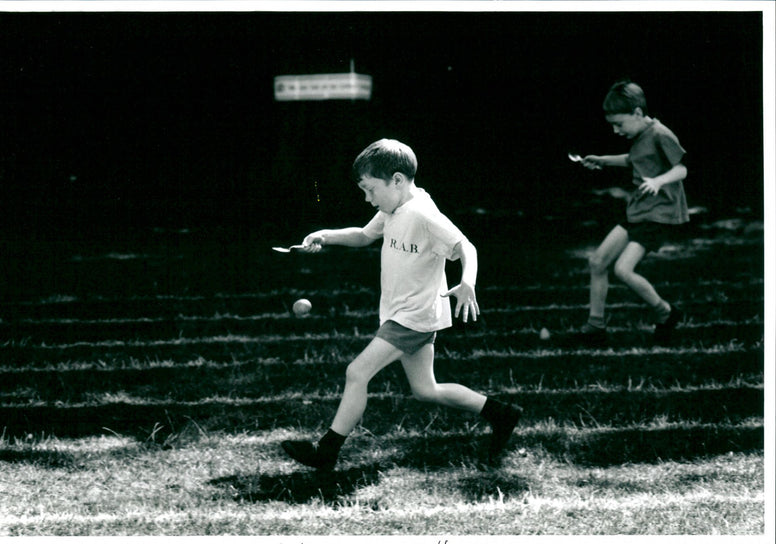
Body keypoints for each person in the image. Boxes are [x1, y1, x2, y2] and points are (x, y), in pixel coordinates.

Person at [281, 138, 522, 470]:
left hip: (413, 316)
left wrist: (468, 282)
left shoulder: (422, 213)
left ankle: (327, 451)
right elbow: (365, 235)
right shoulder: (392, 208)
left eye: (370, 189)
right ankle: (502, 413)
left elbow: (466, 246)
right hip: (405, 313)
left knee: (357, 372)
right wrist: (324, 234)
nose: (367, 198)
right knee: (426, 389)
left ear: (396, 180)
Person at [576, 80, 689, 345]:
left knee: (623, 270)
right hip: (638, 210)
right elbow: (632, 160)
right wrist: (602, 160)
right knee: (598, 261)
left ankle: (666, 313)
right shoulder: (640, 135)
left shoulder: (661, 133)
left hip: (657, 213)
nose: (616, 130)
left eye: (619, 124)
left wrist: (658, 181)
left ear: (638, 113)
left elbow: (682, 168)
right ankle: (596, 327)